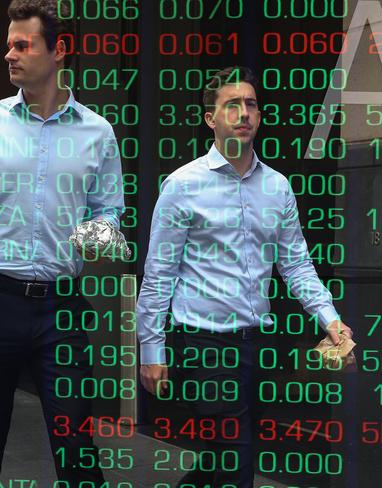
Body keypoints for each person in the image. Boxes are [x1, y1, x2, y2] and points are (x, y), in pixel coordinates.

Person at [137, 65, 352, 488]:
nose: (243, 113)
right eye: (231, 105)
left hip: (259, 344)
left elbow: (296, 265)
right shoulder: (182, 186)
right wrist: (150, 349)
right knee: (237, 462)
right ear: (210, 119)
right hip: (204, 345)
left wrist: (330, 320)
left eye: (250, 104)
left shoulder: (278, 187)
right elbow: (159, 274)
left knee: (222, 460)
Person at [0, 0, 124, 485]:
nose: (9, 53)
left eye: (21, 44)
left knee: (75, 444)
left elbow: (109, 214)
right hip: (1, 297)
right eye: (8, 44)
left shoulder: (98, 133)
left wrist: (92, 236)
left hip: (62, 308)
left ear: (59, 51)